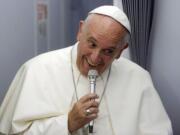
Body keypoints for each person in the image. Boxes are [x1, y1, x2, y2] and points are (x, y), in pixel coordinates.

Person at [0, 5, 172, 135]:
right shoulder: (37, 69)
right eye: (92, 44)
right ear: (80, 31)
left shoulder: (138, 78)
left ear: (121, 50)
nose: (95, 59)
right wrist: (67, 123)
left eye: (108, 51)